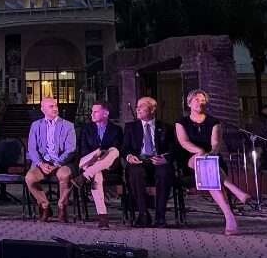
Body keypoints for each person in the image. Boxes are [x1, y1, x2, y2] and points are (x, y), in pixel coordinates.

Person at [176, 90, 251, 235]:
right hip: (189, 160)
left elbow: (215, 143)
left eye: (203, 100)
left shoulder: (213, 122)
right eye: (197, 99)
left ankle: (229, 217)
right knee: (203, 161)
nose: (200, 102)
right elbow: (184, 142)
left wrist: (209, 153)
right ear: (189, 103)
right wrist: (199, 151)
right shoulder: (181, 122)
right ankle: (234, 192)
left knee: (208, 171)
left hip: (211, 159)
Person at [123, 96, 174, 227]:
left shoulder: (166, 127)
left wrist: (165, 158)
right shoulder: (130, 127)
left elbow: (174, 149)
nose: (137, 109)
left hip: (158, 160)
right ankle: (143, 214)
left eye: (142, 106)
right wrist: (129, 156)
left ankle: (160, 216)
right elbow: (125, 148)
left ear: (152, 109)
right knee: (135, 172)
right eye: (137, 106)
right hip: (139, 160)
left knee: (164, 173)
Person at [24, 97, 77, 222]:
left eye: (56, 105)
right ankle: (45, 205)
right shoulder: (36, 126)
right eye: (51, 106)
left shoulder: (68, 126)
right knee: (29, 178)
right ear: (43, 109)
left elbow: (71, 149)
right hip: (42, 163)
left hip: (61, 162)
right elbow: (32, 149)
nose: (55, 108)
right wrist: (41, 164)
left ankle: (61, 206)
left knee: (65, 175)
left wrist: (57, 163)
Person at [75, 102, 123, 229]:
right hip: (87, 162)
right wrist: (96, 156)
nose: (92, 114)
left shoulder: (116, 129)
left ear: (105, 113)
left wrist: (102, 155)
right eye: (92, 111)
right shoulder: (86, 129)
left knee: (114, 151)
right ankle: (102, 216)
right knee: (96, 165)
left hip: (107, 164)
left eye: (95, 111)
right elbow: (83, 151)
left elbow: (117, 150)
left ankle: (103, 217)